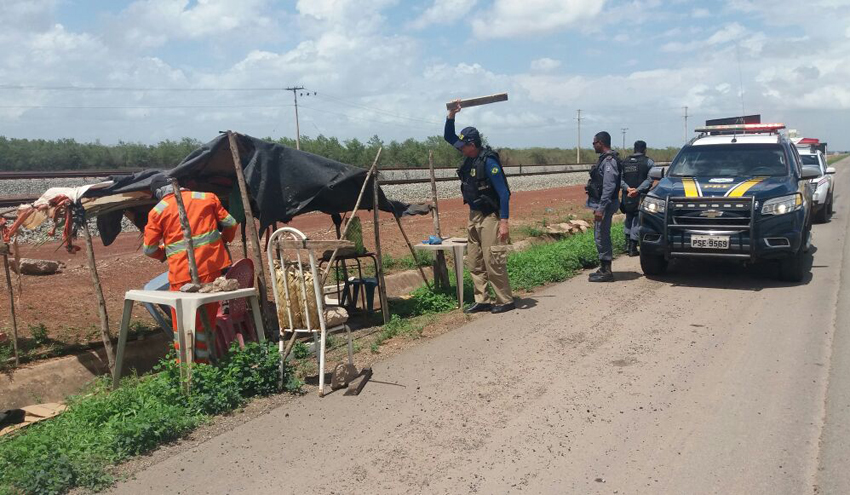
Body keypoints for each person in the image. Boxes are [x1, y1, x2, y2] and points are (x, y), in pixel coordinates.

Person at [143, 176, 239, 363]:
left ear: (159, 193)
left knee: (183, 324)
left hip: (181, 273)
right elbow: (231, 223)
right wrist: (224, 240)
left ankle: (185, 369)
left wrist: (163, 254)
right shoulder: (207, 197)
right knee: (206, 320)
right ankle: (204, 364)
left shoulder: (157, 211)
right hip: (212, 268)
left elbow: (149, 249)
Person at [444, 100, 515, 313]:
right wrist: (451, 115)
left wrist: (504, 222)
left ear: (473, 144)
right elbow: (449, 137)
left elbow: (504, 193)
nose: (460, 148)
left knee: (492, 259)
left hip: (491, 217)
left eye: (464, 146)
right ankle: (482, 299)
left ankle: (505, 300)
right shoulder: (470, 158)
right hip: (473, 215)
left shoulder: (489, 161)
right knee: (474, 261)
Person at [586, 131, 620, 282]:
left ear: (601, 143)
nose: (593, 146)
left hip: (605, 204)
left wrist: (600, 208)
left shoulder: (609, 161)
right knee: (600, 234)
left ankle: (606, 271)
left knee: (601, 235)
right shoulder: (606, 160)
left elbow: (609, 186)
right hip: (604, 203)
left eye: (594, 143)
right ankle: (603, 267)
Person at [620, 140, 655, 256]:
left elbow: (619, 179)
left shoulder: (624, 162)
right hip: (640, 196)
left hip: (626, 196)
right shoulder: (648, 162)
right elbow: (650, 179)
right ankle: (633, 248)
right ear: (645, 149)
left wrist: (628, 189)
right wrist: (637, 190)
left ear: (634, 149)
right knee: (636, 220)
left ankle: (626, 245)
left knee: (628, 218)